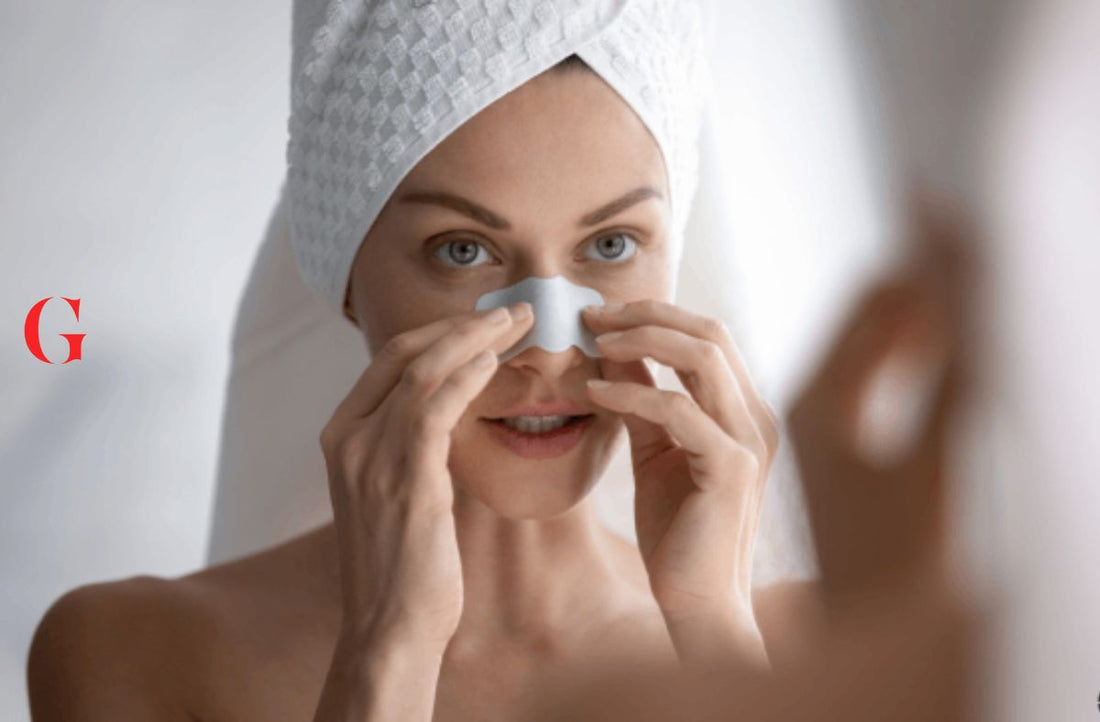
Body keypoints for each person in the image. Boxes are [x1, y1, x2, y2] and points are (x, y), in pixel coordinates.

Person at [25, 45, 820, 722]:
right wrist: (388, 646)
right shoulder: (132, 651)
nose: (548, 353)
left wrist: (713, 630)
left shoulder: (808, 643)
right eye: (461, 250)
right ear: (345, 278)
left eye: (611, 244)